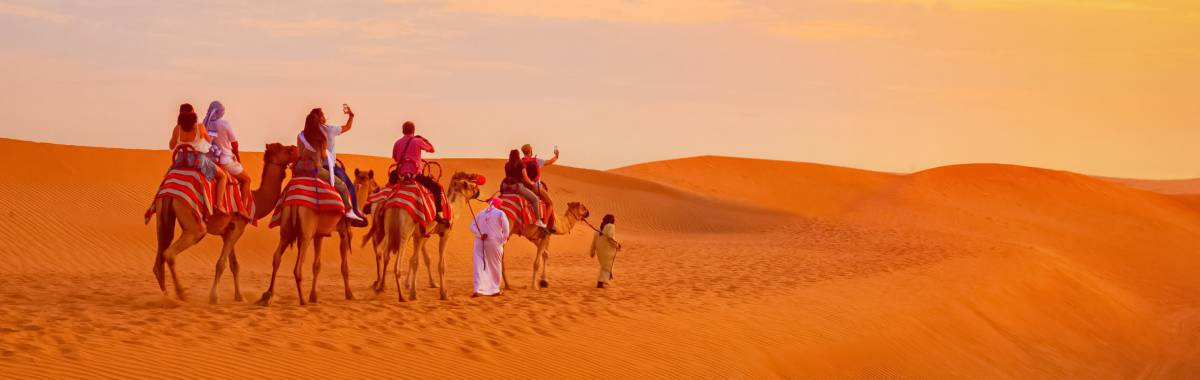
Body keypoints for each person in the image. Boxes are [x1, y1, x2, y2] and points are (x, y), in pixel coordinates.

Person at [296, 109, 361, 223]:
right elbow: (324, 156)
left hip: (300, 170)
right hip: (318, 169)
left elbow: (299, 154)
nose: (325, 116)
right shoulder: (325, 134)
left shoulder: (300, 135)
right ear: (319, 119)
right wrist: (351, 116)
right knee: (345, 187)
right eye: (323, 115)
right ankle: (351, 212)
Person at [169, 103, 229, 214]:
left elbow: (171, 146)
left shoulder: (177, 129)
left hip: (180, 161)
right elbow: (208, 141)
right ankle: (219, 204)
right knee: (222, 176)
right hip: (197, 161)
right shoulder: (200, 127)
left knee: (166, 179)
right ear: (193, 114)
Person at [391, 121, 446, 223]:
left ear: (403, 131)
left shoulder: (397, 143)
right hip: (416, 176)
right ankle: (439, 214)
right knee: (437, 188)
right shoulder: (417, 141)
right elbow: (432, 149)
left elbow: (395, 158)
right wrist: (423, 139)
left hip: (401, 176)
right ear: (413, 130)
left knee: (388, 189)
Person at [202, 101, 251, 211]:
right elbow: (234, 143)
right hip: (225, 160)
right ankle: (242, 209)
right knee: (246, 180)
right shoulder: (224, 124)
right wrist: (238, 158)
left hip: (208, 159)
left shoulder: (204, 123)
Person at [470, 197, 510, 297]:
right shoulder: (500, 213)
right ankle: (495, 289)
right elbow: (506, 230)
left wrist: (480, 234)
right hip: (494, 242)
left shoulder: (481, 213)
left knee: (478, 265)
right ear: (498, 205)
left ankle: (477, 289)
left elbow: (472, 226)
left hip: (479, 241)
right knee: (495, 265)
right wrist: (502, 241)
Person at [500, 149, 545, 228]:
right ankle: (538, 220)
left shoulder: (507, 164)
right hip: (516, 187)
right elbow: (526, 178)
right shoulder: (520, 164)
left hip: (505, 186)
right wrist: (532, 183)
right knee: (535, 199)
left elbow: (507, 175)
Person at [520, 144, 559, 229]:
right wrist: (556, 156)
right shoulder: (536, 161)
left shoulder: (521, 162)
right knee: (550, 203)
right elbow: (550, 162)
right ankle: (545, 224)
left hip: (524, 188)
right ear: (530, 151)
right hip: (536, 187)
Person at [589, 214, 621, 288]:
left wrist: (592, 251)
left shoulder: (599, 229)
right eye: (613, 219)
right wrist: (617, 245)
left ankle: (603, 281)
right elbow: (610, 238)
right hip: (607, 251)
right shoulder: (610, 226)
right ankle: (600, 282)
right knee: (606, 266)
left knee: (605, 266)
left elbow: (594, 241)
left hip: (600, 252)